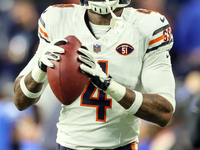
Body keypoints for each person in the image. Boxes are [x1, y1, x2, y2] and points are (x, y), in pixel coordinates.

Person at [13, 0, 176, 149]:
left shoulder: (147, 26)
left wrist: (108, 85)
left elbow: (164, 112)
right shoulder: (57, 19)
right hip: (68, 145)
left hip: (121, 145)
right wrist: (40, 70)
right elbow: (20, 101)